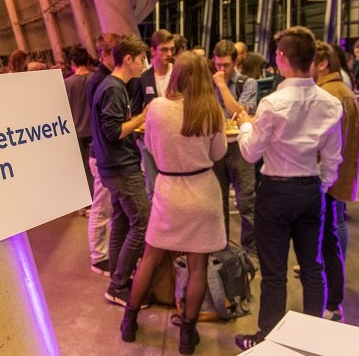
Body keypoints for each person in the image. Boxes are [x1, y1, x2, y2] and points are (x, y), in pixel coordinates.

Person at [234, 26, 343, 350]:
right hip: (311, 191)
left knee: (275, 273)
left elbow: (251, 152)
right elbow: (333, 158)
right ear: (312, 60)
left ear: (281, 58)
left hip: (276, 192)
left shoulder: (273, 102)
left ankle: (268, 338)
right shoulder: (330, 103)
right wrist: (319, 185)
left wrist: (243, 126)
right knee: (312, 268)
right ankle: (310, 338)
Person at [120, 51, 227, 355]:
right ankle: (187, 337)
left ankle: (129, 321)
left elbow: (150, 147)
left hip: (169, 191)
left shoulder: (156, 108)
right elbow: (218, 154)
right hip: (202, 191)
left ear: (177, 73)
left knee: (150, 258)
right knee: (198, 266)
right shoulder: (211, 110)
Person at [91, 34, 151, 307]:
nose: (143, 65)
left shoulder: (112, 86)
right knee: (142, 222)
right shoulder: (114, 88)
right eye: (141, 60)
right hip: (121, 168)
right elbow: (113, 131)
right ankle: (118, 285)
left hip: (114, 166)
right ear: (128, 59)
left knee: (122, 222)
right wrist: (142, 117)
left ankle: (118, 278)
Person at [310, 41, 359, 322]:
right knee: (333, 234)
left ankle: (330, 303)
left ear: (322, 64)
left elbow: (324, 146)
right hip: (338, 177)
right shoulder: (343, 90)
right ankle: (334, 300)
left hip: (326, 180)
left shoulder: (328, 94)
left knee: (328, 239)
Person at [212, 39, 258, 255]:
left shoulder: (247, 83)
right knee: (217, 201)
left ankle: (250, 251)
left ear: (235, 62)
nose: (222, 70)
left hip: (240, 147)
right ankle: (221, 248)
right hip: (215, 147)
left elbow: (239, 114)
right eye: (218, 65)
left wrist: (222, 86)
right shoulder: (206, 82)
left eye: (227, 65)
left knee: (246, 201)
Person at [85, 33, 119, 277]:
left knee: (105, 206)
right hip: (101, 154)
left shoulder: (103, 78)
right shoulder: (101, 80)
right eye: (114, 53)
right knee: (101, 207)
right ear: (103, 54)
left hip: (101, 152)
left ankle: (102, 253)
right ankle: (98, 257)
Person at [131, 29, 175, 202]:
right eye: (164, 49)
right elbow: (135, 110)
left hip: (175, 140)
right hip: (149, 142)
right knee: (152, 189)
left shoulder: (179, 74)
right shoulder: (143, 78)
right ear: (152, 51)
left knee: (173, 187)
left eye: (171, 49)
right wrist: (138, 138)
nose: (169, 54)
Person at [64, 47, 94, 201]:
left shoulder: (67, 83)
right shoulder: (95, 79)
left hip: (76, 132)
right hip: (94, 132)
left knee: (83, 169)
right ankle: (98, 199)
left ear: (72, 62)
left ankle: (88, 201)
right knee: (96, 167)